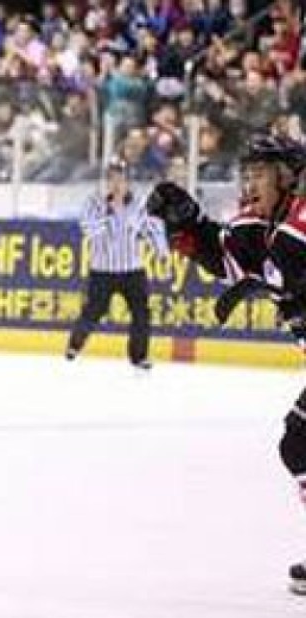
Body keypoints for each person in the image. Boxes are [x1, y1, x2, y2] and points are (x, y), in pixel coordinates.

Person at [146, 134, 306, 593]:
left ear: (288, 178)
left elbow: (284, 267)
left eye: (260, 173)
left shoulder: (300, 220)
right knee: (298, 446)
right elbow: (226, 256)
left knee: (299, 443)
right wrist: (190, 223)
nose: (249, 183)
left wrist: (274, 281)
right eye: (247, 173)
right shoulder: (258, 225)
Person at [65, 157, 169, 369]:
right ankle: (75, 344)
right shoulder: (94, 203)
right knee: (94, 310)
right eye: (112, 179)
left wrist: (162, 252)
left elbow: (152, 228)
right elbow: (90, 230)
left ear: (127, 181)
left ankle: (139, 356)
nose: (117, 184)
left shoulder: (139, 204)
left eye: (121, 179)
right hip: (102, 270)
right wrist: (110, 212)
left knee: (141, 312)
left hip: (132, 269)